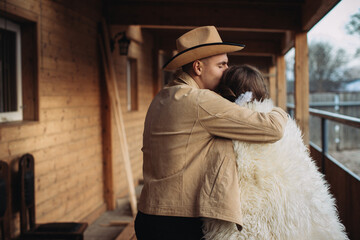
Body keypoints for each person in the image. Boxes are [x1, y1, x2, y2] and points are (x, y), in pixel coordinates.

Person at [134, 26, 289, 240]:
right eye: (221, 65)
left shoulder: (162, 97)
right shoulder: (200, 101)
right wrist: (274, 107)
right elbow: (273, 128)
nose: (227, 71)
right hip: (178, 224)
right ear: (198, 67)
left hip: (148, 216)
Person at [202, 65, 349, 240]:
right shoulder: (284, 123)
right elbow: (305, 173)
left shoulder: (222, 127)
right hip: (293, 215)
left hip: (245, 226)